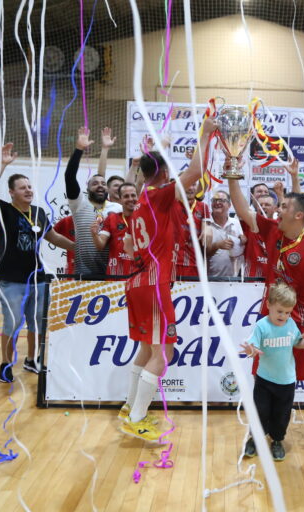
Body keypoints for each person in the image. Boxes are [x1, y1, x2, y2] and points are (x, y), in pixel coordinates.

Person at [117, 119, 216, 442]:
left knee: (146, 350)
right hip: (154, 285)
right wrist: (206, 134)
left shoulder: (142, 204)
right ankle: (137, 418)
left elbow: (131, 247)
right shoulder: (159, 195)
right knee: (164, 354)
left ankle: (130, 407)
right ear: (162, 172)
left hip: (138, 282)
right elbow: (196, 172)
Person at [228, 179, 304, 443]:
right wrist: (232, 176)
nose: (277, 208)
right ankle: (260, 425)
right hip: (270, 314)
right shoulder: (273, 229)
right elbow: (242, 210)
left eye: (284, 205)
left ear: (298, 215)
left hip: (303, 318)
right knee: (262, 370)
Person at [0, 143, 75, 383]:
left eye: (30, 186)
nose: (28, 190)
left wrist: (78, 247)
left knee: (37, 323)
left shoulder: (39, 212)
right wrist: (2, 163)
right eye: (22, 187)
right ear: (11, 192)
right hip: (10, 278)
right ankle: (5, 364)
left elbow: (53, 237)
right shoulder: (3, 210)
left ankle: (31, 360)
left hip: (37, 277)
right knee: (12, 324)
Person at [240, 281, 302, 461]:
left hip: (287, 381)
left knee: (281, 414)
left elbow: (297, 342)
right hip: (265, 381)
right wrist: (251, 350)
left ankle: (277, 440)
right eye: (280, 311)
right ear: (269, 305)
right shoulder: (262, 326)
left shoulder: (291, 325)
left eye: (288, 312)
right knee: (260, 412)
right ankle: (255, 439)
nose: (283, 316)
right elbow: (253, 346)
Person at [64, 126, 123, 275]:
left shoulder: (116, 208)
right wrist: (79, 149)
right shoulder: (79, 204)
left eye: (103, 184)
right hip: (84, 274)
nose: (100, 186)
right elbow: (69, 176)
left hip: (112, 275)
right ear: (88, 188)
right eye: (95, 184)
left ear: (108, 189)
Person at [91, 182, 138, 275]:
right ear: (120, 199)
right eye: (126, 196)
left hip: (138, 276)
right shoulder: (112, 218)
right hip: (115, 279)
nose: (130, 199)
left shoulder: (144, 219)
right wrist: (94, 234)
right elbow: (100, 246)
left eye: (133, 195)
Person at [173, 177, 209, 279]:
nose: (190, 188)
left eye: (193, 184)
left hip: (194, 263)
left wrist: (207, 229)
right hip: (171, 262)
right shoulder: (172, 203)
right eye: (187, 184)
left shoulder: (203, 207)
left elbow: (207, 228)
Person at [204, 189, 245, 277]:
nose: (217, 202)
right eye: (214, 200)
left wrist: (244, 239)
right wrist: (217, 245)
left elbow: (245, 244)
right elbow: (203, 252)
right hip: (210, 280)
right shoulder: (206, 223)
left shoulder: (237, 223)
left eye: (222, 200)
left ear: (229, 205)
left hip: (235, 280)